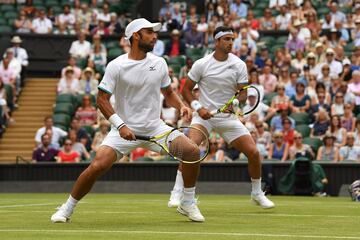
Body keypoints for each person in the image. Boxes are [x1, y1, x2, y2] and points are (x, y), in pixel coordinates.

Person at [51, 18, 203, 223]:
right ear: (136, 36)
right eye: (149, 32)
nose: (155, 36)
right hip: (123, 130)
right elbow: (101, 100)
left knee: (191, 151)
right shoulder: (116, 66)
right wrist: (120, 125)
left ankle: (187, 202)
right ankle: (67, 209)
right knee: (97, 166)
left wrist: (181, 105)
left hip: (155, 128)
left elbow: (168, 93)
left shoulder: (160, 63)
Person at [168, 26, 274, 210]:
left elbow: (242, 93)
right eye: (226, 39)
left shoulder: (239, 64)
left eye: (232, 39)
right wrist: (198, 108)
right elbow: (186, 89)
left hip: (228, 117)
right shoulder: (202, 64)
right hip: (203, 117)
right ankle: (177, 192)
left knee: (254, 153)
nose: (231, 42)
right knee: (190, 149)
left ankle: (257, 193)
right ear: (217, 42)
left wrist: (236, 103)